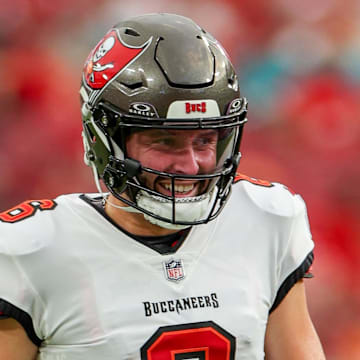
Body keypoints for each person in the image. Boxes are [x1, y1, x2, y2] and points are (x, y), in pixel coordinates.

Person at [0, 13, 325, 360]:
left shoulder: (266, 219)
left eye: (204, 141)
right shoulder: (31, 252)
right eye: (165, 142)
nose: (189, 165)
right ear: (104, 139)